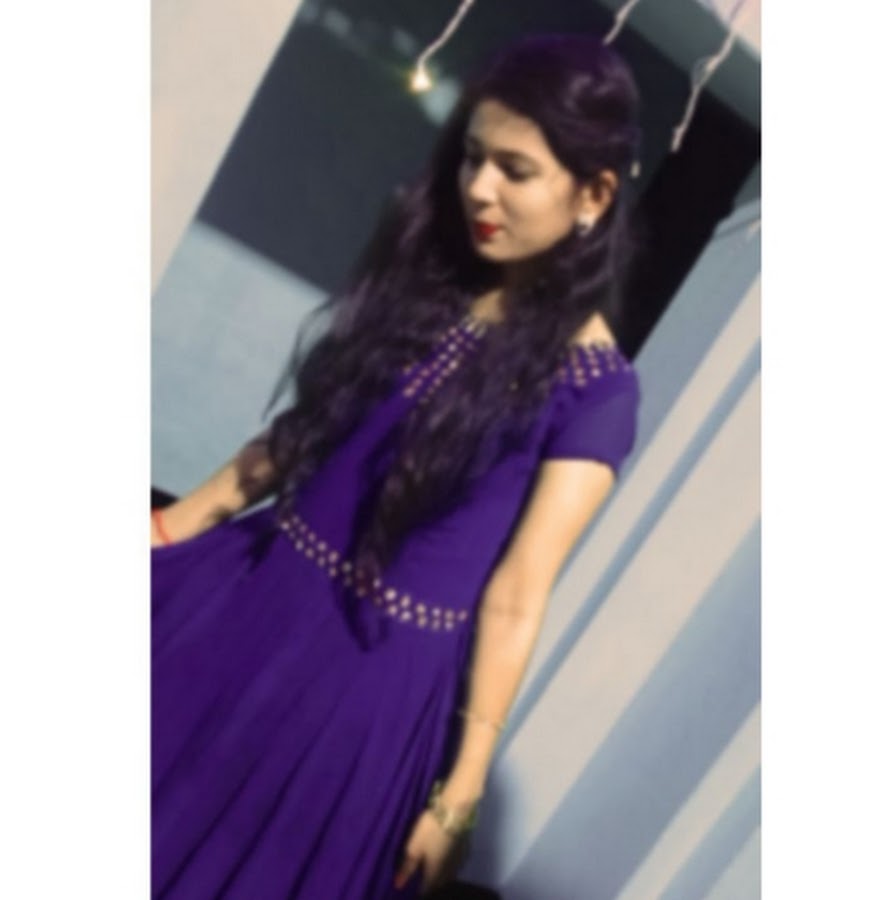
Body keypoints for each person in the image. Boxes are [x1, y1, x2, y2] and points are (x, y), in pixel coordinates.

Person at [151, 32, 643, 899]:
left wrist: (461, 792)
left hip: (359, 692)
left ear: (593, 194)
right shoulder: (432, 276)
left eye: (515, 171)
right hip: (251, 596)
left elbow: (518, 595)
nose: (479, 188)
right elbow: (305, 435)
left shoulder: (595, 389)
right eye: (474, 157)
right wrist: (170, 525)